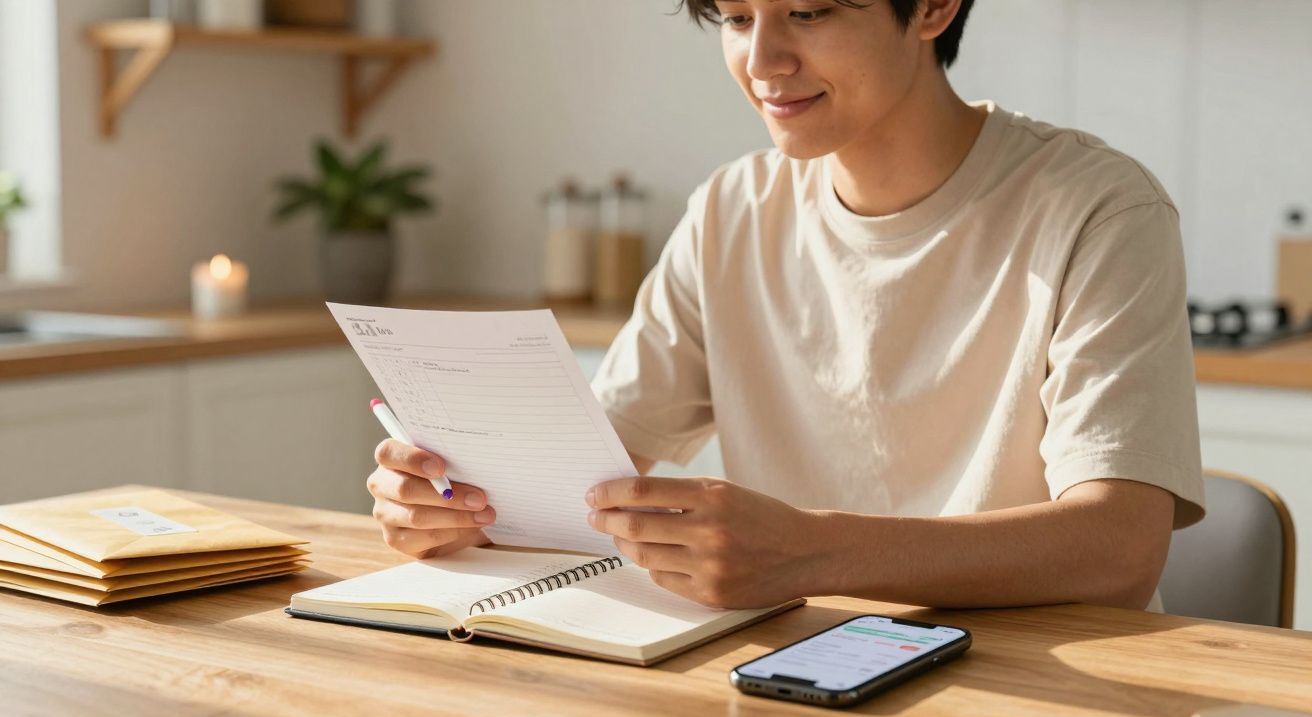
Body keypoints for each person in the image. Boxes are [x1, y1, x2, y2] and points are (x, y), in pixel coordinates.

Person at [365, 0, 1205, 613]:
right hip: (797, 677)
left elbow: (1119, 549)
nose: (763, 61)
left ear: (934, 8)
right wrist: (463, 506)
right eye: (735, 18)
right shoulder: (734, 209)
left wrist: (810, 552)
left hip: (1036, 689)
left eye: (806, 12)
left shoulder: (1099, 209)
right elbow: (588, 472)